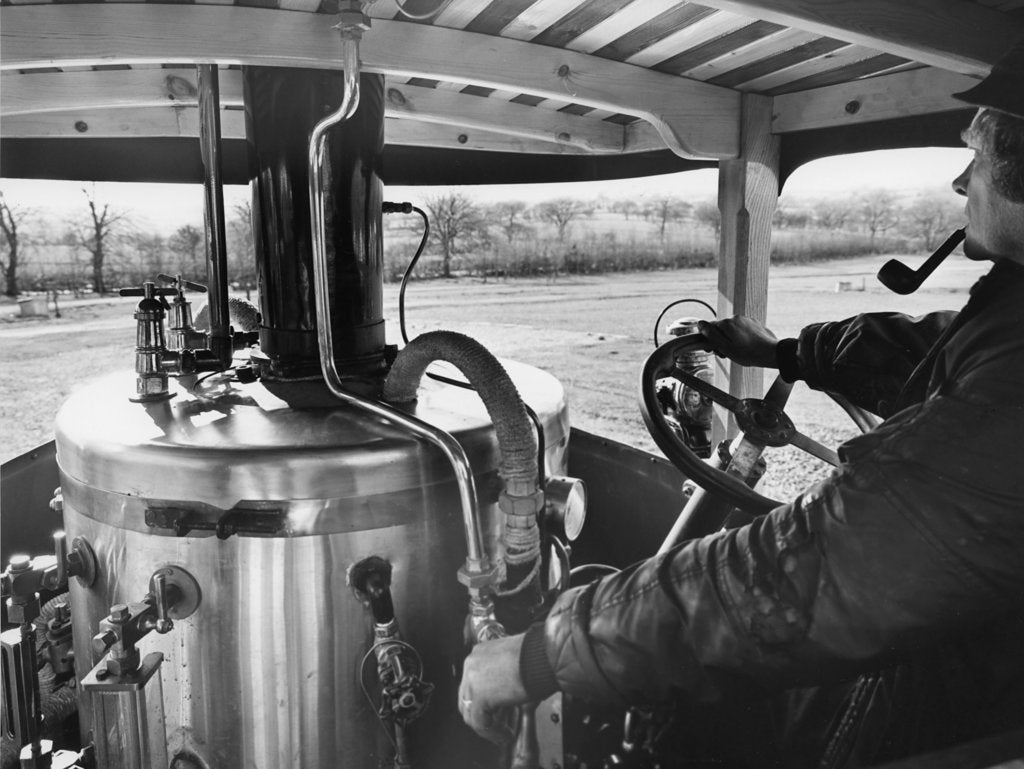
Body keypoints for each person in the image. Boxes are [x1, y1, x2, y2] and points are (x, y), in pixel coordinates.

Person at [458, 41, 1024, 768]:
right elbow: (926, 347)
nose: (960, 179)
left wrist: (543, 654)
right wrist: (792, 353)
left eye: (977, 155)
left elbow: (820, 567)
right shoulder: (1008, 318)